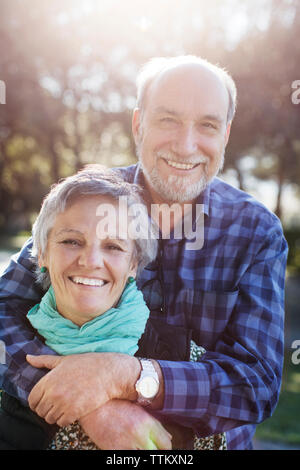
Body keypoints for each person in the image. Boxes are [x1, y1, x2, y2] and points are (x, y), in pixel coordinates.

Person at [0, 55, 288, 450]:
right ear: (138, 124)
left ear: (225, 134)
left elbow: (257, 384)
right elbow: (4, 306)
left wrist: (125, 377)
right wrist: (84, 401)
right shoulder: (84, 199)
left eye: (207, 125)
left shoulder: (256, 231)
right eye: (168, 119)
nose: (186, 145)